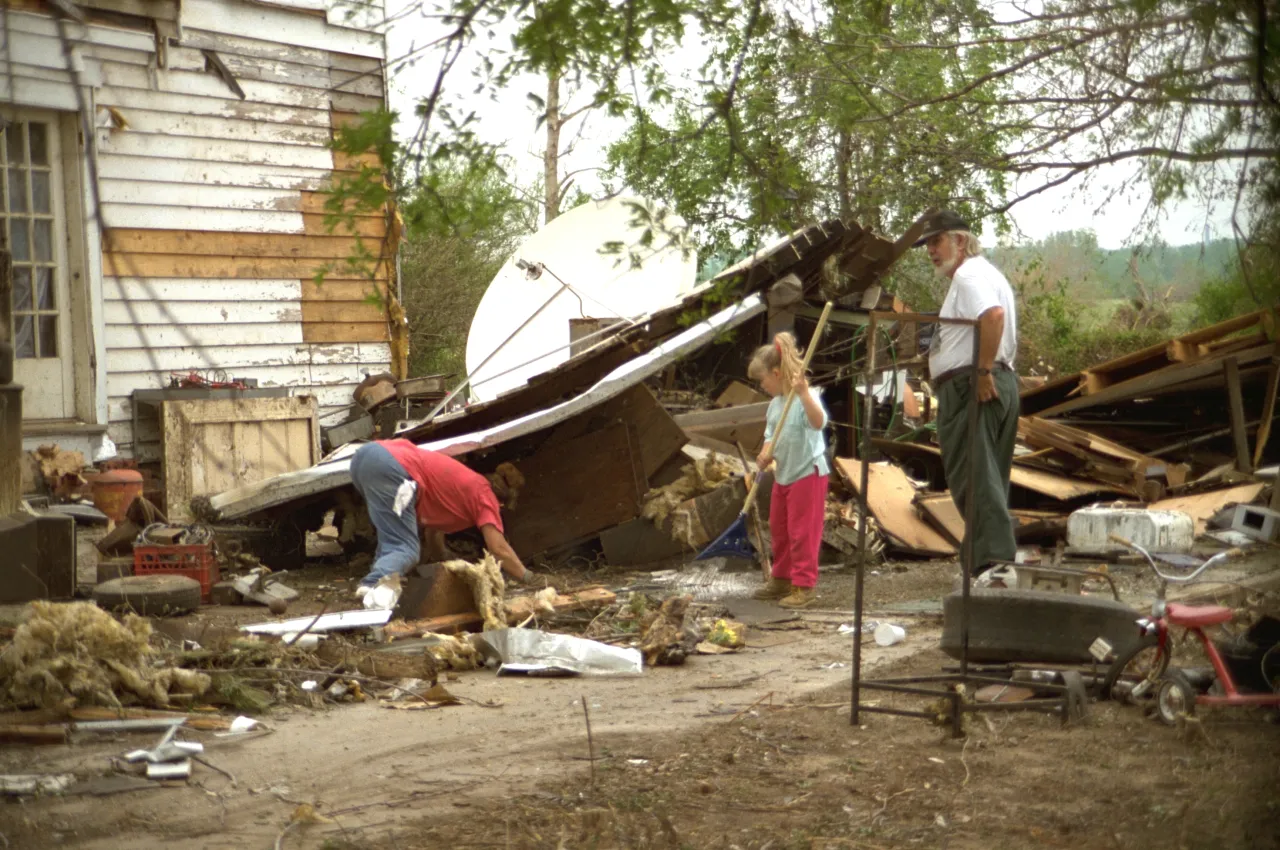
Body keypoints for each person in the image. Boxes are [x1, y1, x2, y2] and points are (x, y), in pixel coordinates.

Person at [916, 209, 1019, 575]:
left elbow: (992, 316)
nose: (931, 250)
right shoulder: (987, 273)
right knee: (987, 478)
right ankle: (983, 564)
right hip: (992, 381)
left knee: (973, 478)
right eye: (927, 243)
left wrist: (981, 371)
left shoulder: (969, 275)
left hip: (972, 385)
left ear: (960, 240)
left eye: (937, 240)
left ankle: (994, 566)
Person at [348, 439, 531, 596]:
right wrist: (527, 576)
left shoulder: (467, 486)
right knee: (406, 549)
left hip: (365, 457)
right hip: (394, 466)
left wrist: (445, 558)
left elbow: (433, 532)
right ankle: (373, 585)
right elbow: (498, 548)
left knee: (391, 537)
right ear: (501, 502)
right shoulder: (485, 497)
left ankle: (375, 583)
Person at [748, 332, 830, 609]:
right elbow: (772, 434)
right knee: (780, 528)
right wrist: (765, 453)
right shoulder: (775, 405)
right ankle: (781, 578)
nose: (762, 386)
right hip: (784, 474)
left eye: (763, 381)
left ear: (775, 373)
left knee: (802, 531)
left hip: (808, 472)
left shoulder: (805, 398)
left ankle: (804, 586)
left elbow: (818, 423)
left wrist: (805, 394)